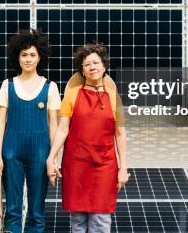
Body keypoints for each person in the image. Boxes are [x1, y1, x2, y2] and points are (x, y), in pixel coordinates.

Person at [46, 43, 129, 233]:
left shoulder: (114, 97)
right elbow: (62, 129)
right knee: (78, 221)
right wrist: (51, 158)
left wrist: (123, 168)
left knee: (101, 220)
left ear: (104, 66)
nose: (92, 67)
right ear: (82, 70)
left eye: (96, 63)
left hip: (105, 165)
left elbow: (120, 133)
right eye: (87, 64)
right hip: (76, 165)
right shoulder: (71, 95)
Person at [0, 29, 60, 233]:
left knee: (37, 211)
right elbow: (0, 122)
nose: (28, 59)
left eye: (32, 55)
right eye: (24, 55)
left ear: (40, 57)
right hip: (11, 152)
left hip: (40, 153)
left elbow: (54, 125)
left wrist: (53, 159)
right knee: (12, 209)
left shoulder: (50, 87)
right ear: (17, 57)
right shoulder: (8, 85)